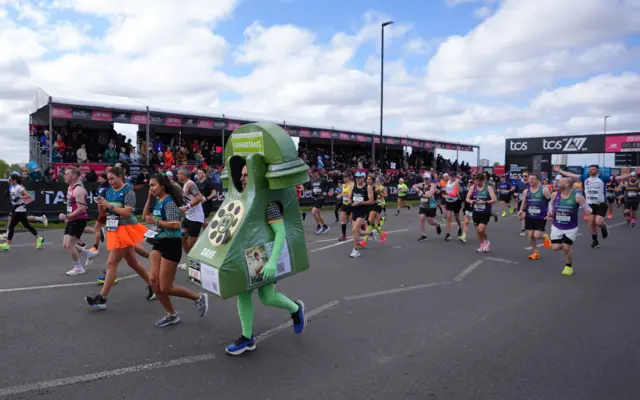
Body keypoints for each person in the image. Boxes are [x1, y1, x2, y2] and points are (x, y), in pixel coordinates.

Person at [225, 164, 306, 355]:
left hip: (266, 256)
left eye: (247, 175)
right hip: (247, 256)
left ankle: (295, 309)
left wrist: (272, 262)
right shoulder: (242, 199)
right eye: (242, 174)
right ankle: (247, 338)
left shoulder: (267, 203)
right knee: (243, 293)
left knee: (267, 297)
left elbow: (280, 233)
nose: (242, 178)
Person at [142, 174, 209, 327]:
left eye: (153, 185)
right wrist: (149, 199)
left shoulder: (169, 202)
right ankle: (171, 314)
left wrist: (156, 221)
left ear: (162, 186)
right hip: (159, 242)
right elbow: (145, 216)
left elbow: (175, 225)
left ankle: (198, 297)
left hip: (171, 244)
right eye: (149, 186)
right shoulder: (158, 201)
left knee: (166, 287)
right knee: (153, 281)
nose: (151, 188)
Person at [85, 167, 153, 309]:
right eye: (108, 179)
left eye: (112, 179)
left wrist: (109, 206)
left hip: (126, 229)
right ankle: (153, 285)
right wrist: (101, 205)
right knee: (132, 262)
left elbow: (127, 212)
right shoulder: (109, 192)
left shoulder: (128, 191)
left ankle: (102, 298)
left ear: (120, 177)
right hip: (113, 229)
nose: (110, 182)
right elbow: (105, 213)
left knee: (111, 264)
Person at [556, 165, 635, 248]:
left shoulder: (603, 177)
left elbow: (619, 177)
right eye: (589, 169)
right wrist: (560, 170)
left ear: (597, 171)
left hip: (601, 203)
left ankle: (603, 227)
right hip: (589, 204)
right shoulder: (584, 177)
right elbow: (571, 175)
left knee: (598, 222)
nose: (590, 171)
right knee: (592, 223)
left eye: (592, 169)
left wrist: (632, 173)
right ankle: (595, 241)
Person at [547, 178, 591, 276]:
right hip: (556, 226)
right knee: (555, 248)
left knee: (567, 248)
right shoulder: (555, 195)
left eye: (559, 183)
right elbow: (550, 204)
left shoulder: (577, 197)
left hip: (571, 227)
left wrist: (588, 211)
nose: (556, 184)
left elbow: (588, 208)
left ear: (566, 185)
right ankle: (558, 241)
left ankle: (568, 267)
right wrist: (550, 212)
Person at [0, 174, 45, 251]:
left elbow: (28, 196)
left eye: (10, 180)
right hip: (16, 209)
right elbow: (13, 199)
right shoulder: (13, 188)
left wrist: (19, 197)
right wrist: (9, 196)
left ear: (15, 180)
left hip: (19, 209)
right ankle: (39, 238)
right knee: (27, 225)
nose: (9, 181)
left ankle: (7, 244)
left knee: (11, 226)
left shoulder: (19, 187)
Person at [59, 166, 90, 276]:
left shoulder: (78, 189)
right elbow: (70, 205)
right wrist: (66, 215)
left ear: (74, 176)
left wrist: (68, 216)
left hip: (79, 220)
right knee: (65, 245)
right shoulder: (69, 188)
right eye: (65, 173)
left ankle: (78, 267)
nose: (64, 176)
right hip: (72, 219)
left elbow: (82, 209)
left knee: (69, 246)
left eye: (67, 174)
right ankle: (88, 253)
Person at [518, 173, 552, 260]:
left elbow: (551, 201)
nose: (530, 181)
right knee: (530, 236)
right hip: (530, 216)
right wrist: (521, 210)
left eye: (533, 179)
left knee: (537, 235)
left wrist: (550, 213)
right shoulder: (526, 191)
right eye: (529, 179)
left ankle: (544, 237)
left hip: (541, 216)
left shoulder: (544, 190)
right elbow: (524, 202)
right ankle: (535, 252)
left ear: (538, 180)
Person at [177, 167, 205, 268]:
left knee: (192, 243)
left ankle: (199, 262)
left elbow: (199, 197)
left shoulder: (190, 184)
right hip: (189, 217)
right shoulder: (185, 185)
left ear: (185, 175)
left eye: (179, 173)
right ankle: (190, 260)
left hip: (196, 218)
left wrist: (187, 207)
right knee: (182, 238)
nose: (177, 175)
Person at [466, 173, 497, 252]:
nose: (478, 183)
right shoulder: (472, 188)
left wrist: (485, 202)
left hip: (485, 212)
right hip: (476, 212)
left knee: (480, 229)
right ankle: (482, 244)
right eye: (476, 181)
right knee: (479, 231)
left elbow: (494, 200)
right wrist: (471, 201)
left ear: (483, 180)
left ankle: (486, 242)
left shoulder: (488, 188)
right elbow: (467, 198)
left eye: (480, 181)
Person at [349, 171, 374, 258]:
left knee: (354, 229)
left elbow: (371, 201)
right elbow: (350, 197)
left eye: (359, 177)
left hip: (362, 211)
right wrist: (350, 202)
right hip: (354, 210)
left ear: (363, 178)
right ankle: (370, 234)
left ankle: (356, 250)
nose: (357, 179)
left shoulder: (368, 187)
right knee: (358, 231)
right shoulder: (353, 185)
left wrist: (360, 203)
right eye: (356, 177)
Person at [360, 175, 387, 248]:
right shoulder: (365, 187)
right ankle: (382, 233)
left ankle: (364, 242)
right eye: (367, 179)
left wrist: (381, 203)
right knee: (370, 223)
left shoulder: (376, 189)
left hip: (376, 206)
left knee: (369, 221)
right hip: (368, 206)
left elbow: (382, 196)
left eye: (370, 180)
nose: (368, 181)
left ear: (373, 181)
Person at [413, 173, 441, 241]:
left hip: (431, 206)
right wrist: (417, 189)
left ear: (430, 179)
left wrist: (421, 194)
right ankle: (424, 235)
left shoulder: (433, 185)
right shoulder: (422, 184)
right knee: (422, 218)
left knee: (430, 222)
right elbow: (413, 185)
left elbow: (430, 195)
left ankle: (437, 225)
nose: (425, 180)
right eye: (424, 179)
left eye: (426, 179)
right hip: (423, 205)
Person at [309, 168, 329, 234]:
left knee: (313, 212)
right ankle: (325, 226)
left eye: (312, 173)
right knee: (318, 214)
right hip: (314, 198)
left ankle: (318, 225)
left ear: (316, 173)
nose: (311, 174)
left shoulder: (322, 180)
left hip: (320, 198)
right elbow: (311, 188)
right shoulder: (311, 181)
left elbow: (329, 187)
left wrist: (325, 192)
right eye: (311, 173)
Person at [443, 174, 463, 241]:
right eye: (451, 176)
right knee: (448, 217)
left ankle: (460, 227)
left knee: (456, 217)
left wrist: (446, 193)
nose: (452, 177)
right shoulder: (448, 182)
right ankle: (448, 234)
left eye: (453, 176)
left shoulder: (456, 183)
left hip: (456, 201)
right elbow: (445, 190)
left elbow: (454, 194)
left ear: (455, 177)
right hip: (448, 201)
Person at [337, 173, 353, 242]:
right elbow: (343, 192)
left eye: (346, 177)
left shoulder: (352, 184)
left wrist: (341, 195)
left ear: (349, 177)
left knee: (352, 221)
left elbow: (350, 193)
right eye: (343, 177)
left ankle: (362, 227)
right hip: (344, 204)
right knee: (343, 219)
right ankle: (344, 236)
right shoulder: (343, 185)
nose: (344, 178)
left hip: (351, 204)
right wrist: (340, 194)